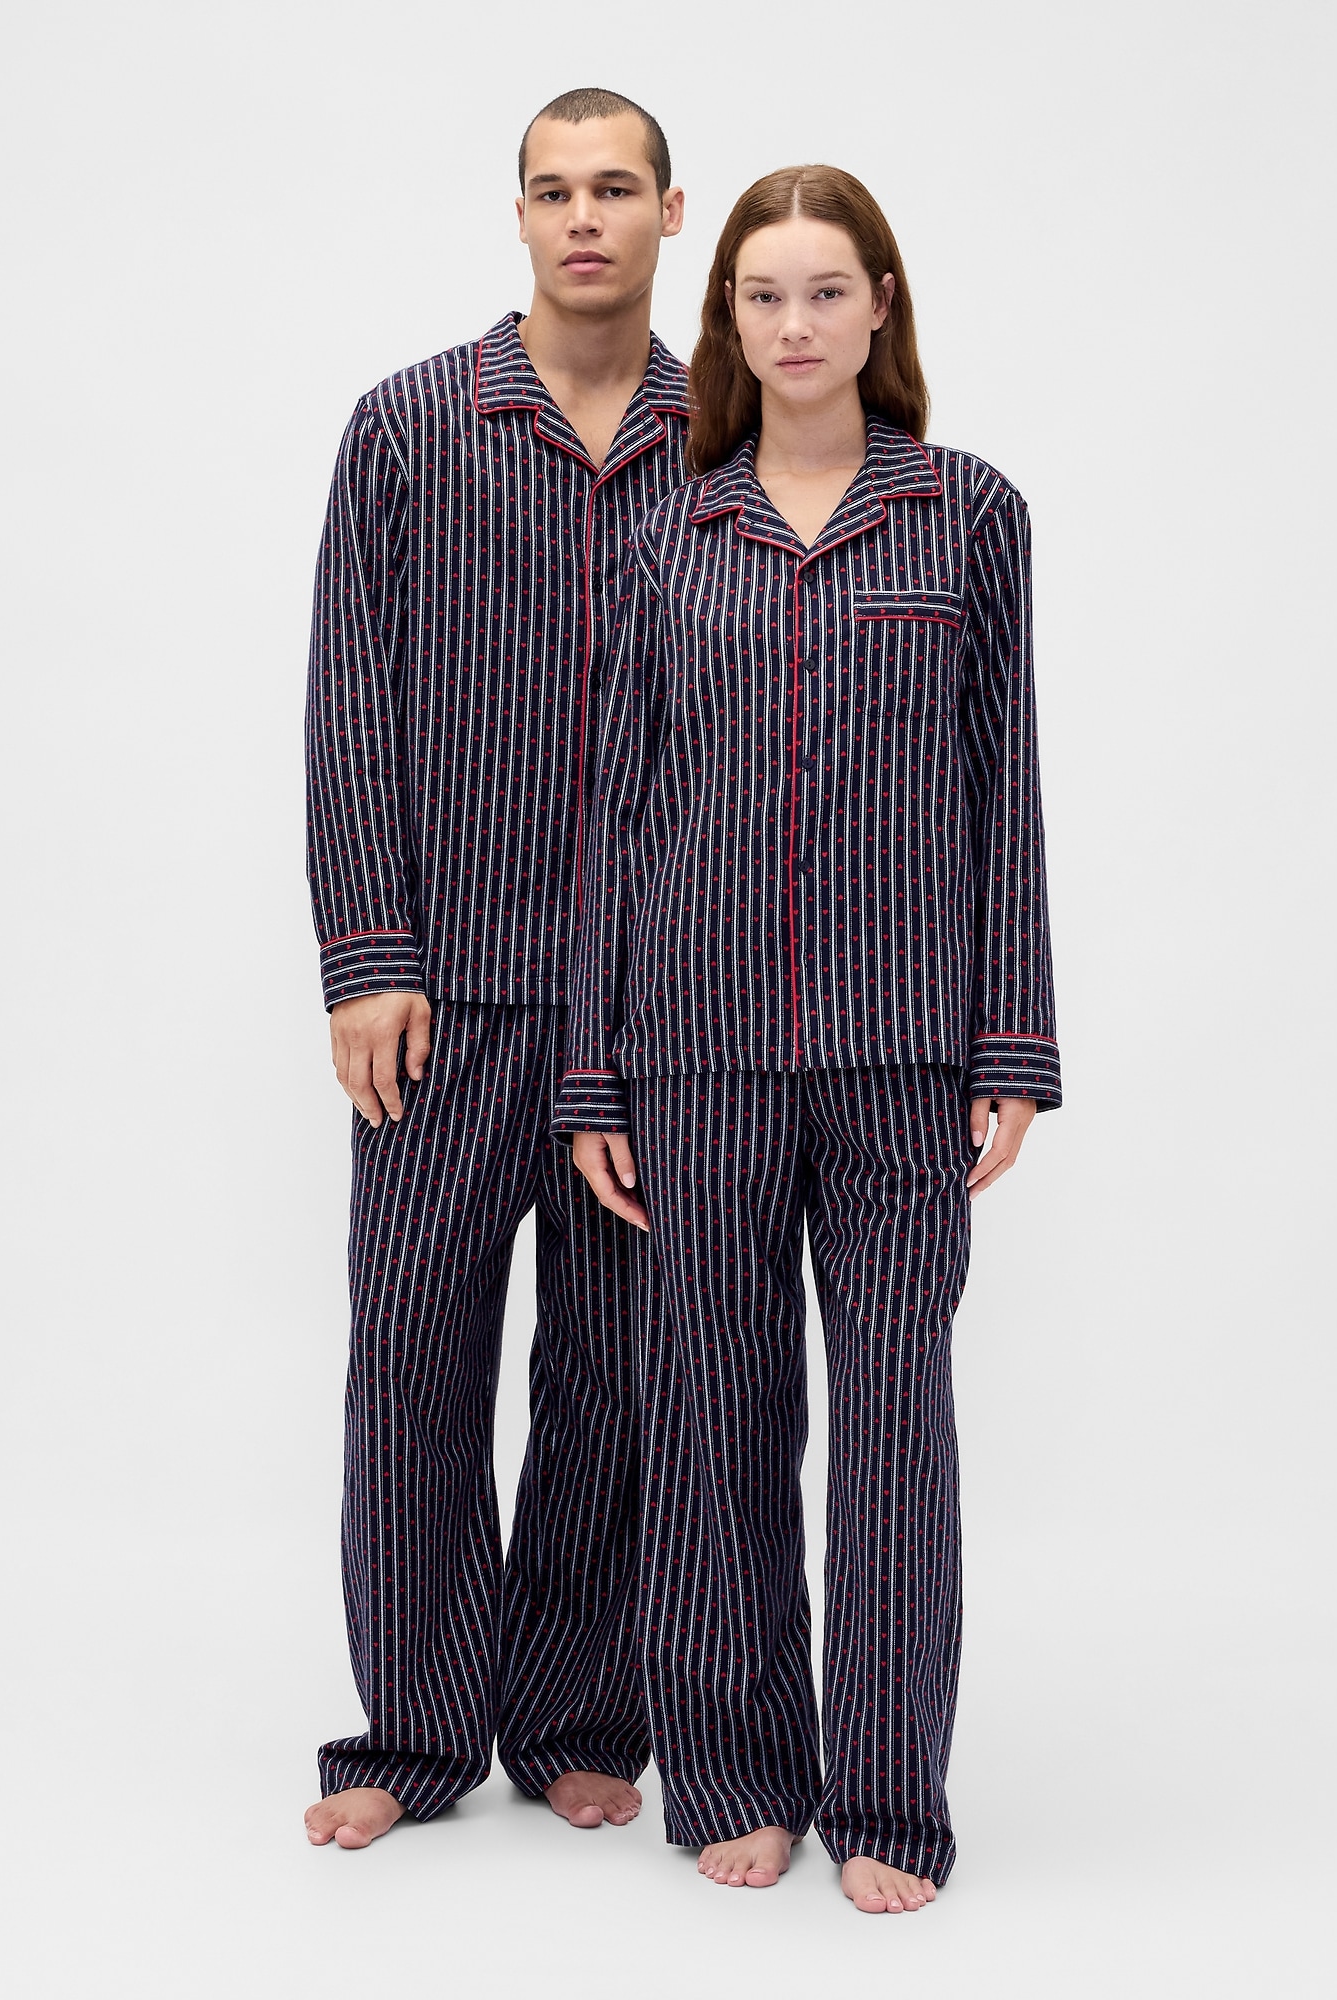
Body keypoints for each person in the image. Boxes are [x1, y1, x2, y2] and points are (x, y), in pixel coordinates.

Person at [556, 165, 1060, 1913]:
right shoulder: (667, 531)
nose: (794, 325)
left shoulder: (969, 515)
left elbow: (1006, 792)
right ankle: (738, 1771)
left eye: (826, 291)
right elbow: (614, 819)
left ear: (880, 307)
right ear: (729, 318)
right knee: (714, 1421)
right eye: (763, 295)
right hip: (694, 1051)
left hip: (899, 1049)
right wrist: (594, 1064)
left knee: (897, 1423)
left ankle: (891, 1795)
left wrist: (1011, 1043)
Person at [302, 88, 687, 1850]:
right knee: (414, 1362)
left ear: (670, 211)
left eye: (615, 188)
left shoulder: (728, 438)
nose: (583, 217)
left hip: (651, 1013)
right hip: (442, 998)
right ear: (518, 215)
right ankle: (412, 1731)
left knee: (618, 1378)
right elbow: (349, 701)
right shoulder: (406, 426)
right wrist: (368, 956)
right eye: (553, 190)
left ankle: (575, 1714)